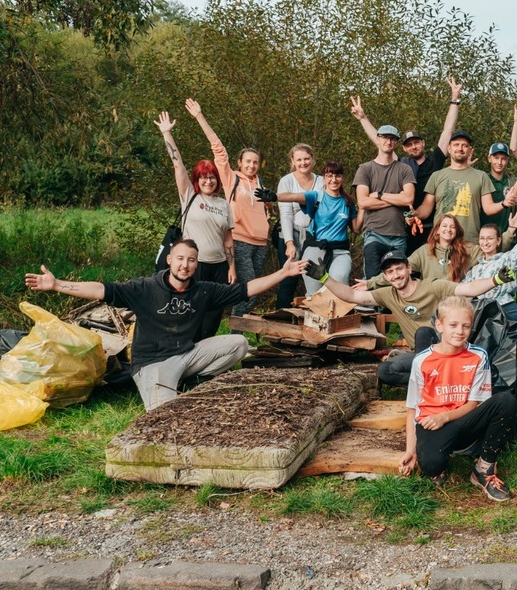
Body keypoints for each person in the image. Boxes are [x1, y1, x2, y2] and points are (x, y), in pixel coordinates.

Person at [25, 240, 308, 411]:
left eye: (191, 261)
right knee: (166, 415)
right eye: (181, 259)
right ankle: (169, 389)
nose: (185, 265)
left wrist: (283, 273)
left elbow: (246, 289)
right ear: (170, 260)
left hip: (187, 354)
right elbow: (101, 289)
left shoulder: (204, 290)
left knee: (239, 343)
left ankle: (192, 381)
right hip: (153, 364)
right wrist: (57, 285)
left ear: (197, 264)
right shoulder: (145, 288)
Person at [321, 251, 502, 387]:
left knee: (423, 332)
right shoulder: (387, 294)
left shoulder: (433, 286)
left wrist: (496, 280)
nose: (396, 275)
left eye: (399, 268)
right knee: (385, 371)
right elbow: (352, 295)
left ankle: (432, 386)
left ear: (409, 268)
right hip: (420, 356)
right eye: (390, 272)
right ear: (385, 276)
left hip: (444, 350)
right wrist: (324, 278)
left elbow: (469, 289)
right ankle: (435, 385)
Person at [398, 296, 517, 501]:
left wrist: (445, 417)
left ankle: (483, 468)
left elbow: (473, 403)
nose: (459, 331)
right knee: (432, 467)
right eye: (453, 325)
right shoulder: (422, 360)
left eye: (466, 326)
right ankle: (439, 460)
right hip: (430, 423)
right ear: (439, 326)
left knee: (506, 401)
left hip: (462, 420)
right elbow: (412, 409)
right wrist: (412, 451)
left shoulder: (478, 356)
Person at [352, 79, 460, 253]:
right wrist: (363, 118)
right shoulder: (401, 164)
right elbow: (379, 142)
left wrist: (454, 99)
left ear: (423, 143)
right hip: (405, 226)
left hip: (433, 226)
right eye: (409, 145)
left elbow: (448, 130)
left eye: (416, 142)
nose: (413, 147)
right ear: (403, 148)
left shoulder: (435, 160)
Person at [185, 98, 270, 317]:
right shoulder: (233, 179)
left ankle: (237, 330)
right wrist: (199, 117)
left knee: (253, 292)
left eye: (255, 162)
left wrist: (269, 204)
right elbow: (219, 150)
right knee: (249, 290)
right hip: (241, 241)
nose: (251, 165)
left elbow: (263, 210)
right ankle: (235, 330)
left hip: (261, 244)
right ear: (239, 163)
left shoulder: (260, 184)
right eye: (247, 161)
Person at [155, 110, 234, 341]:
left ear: (217, 180)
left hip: (218, 267)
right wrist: (167, 133)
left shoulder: (223, 204)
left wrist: (232, 267)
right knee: (189, 310)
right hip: (194, 266)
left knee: (212, 313)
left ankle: (205, 357)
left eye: (212, 177)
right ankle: (183, 349)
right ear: (197, 180)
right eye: (203, 177)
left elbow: (228, 239)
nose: (208, 181)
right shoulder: (190, 196)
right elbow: (178, 165)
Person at [264, 160, 360, 293]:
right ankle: (316, 309)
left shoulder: (348, 202)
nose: (334, 180)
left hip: (339, 250)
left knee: (340, 277)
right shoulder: (316, 197)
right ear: (324, 178)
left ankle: (341, 311)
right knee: (314, 288)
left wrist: (365, 207)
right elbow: (293, 196)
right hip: (316, 247)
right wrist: (275, 196)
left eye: (337, 176)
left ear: (343, 178)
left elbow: (356, 228)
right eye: (329, 176)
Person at [414, 131, 513, 245]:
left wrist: (504, 203)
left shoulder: (481, 176)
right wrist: (415, 214)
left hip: (469, 242)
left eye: (464, 145)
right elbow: (426, 208)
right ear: (449, 148)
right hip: (441, 241)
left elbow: (488, 208)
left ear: (470, 150)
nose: (460, 148)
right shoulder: (437, 176)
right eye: (456, 145)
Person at [352, 120, 416, 279]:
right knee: (373, 281)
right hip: (374, 234)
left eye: (393, 138)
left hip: (399, 236)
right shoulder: (365, 169)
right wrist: (397, 198)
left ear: (396, 143)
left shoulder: (404, 169)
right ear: (378, 139)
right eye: (385, 137)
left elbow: (408, 199)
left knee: (398, 281)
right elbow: (363, 202)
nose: (389, 141)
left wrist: (379, 194)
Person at [462, 203, 517, 326]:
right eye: (482, 239)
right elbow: (464, 293)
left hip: (506, 305)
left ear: (498, 240)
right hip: (482, 309)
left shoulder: (507, 259)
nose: (485, 242)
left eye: (490, 238)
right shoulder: (474, 269)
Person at [276, 143, 324, 308]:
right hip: (292, 232)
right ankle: (280, 321)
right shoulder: (286, 181)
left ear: (312, 159)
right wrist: (289, 243)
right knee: (289, 278)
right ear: (293, 161)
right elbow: (286, 214)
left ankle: (316, 316)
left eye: (306, 158)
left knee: (315, 276)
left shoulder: (321, 181)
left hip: (315, 236)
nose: (303, 163)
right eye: (299, 159)